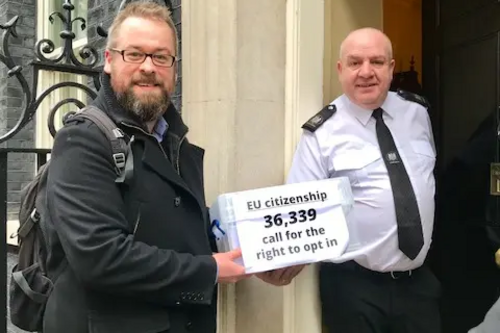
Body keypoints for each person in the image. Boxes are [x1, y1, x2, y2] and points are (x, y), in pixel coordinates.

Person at [41, 2, 247, 333]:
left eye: (161, 56)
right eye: (134, 54)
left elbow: (174, 230)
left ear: (174, 69)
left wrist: (252, 251)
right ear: (109, 61)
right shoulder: (81, 141)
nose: (148, 67)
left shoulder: (174, 141)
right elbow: (101, 257)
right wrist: (209, 270)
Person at [286, 27, 441, 332]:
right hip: (354, 288)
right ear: (341, 69)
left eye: (377, 62)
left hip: (418, 286)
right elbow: (301, 210)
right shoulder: (322, 132)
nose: (366, 72)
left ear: (392, 67)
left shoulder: (417, 113)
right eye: (355, 63)